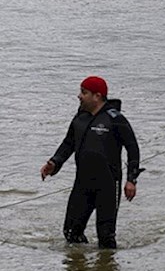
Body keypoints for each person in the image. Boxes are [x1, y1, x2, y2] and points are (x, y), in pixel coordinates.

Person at [40, 76, 142, 249]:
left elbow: (133, 149)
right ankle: (82, 269)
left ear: (97, 96)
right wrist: (54, 163)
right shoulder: (80, 119)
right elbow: (68, 144)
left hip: (109, 184)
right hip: (82, 183)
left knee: (106, 237)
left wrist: (131, 180)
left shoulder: (115, 119)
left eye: (84, 92)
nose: (79, 96)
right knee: (71, 233)